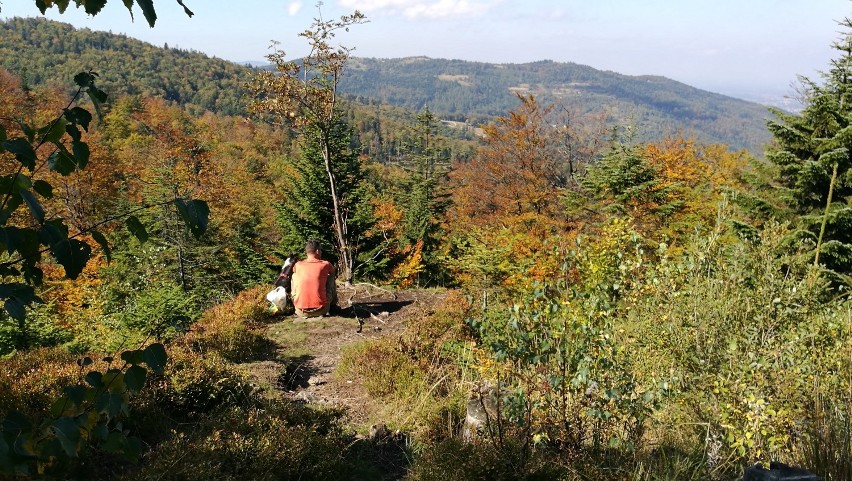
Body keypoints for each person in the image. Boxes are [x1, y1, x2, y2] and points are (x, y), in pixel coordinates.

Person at [290, 240, 337, 318]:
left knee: (294, 275)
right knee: (331, 276)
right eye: (321, 250)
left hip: (300, 311)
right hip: (322, 310)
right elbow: (332, 272)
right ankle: (333, 305)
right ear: (317, 251)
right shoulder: (325, 265)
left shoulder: (298, 265)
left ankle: (297, 301)